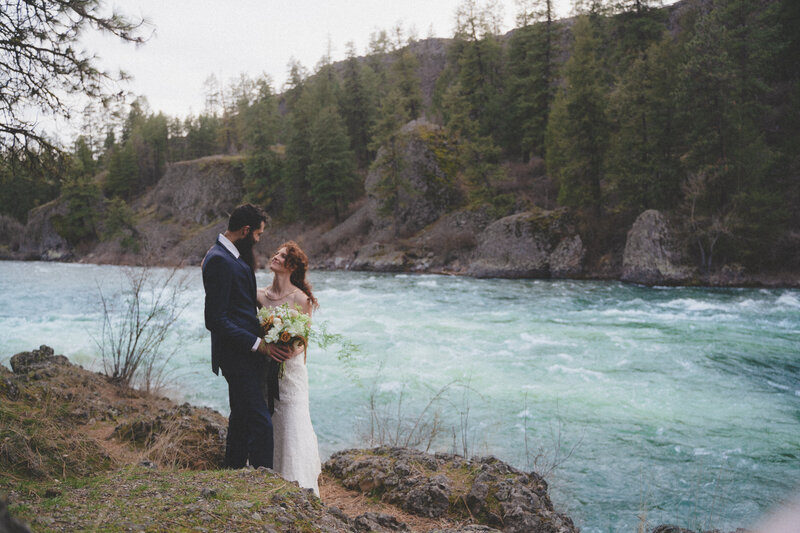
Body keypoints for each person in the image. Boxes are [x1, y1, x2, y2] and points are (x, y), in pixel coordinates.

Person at [202, 203, 292, 469]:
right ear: (245, 230)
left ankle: (232, 470)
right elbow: (215, 319)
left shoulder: (232, 257)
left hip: (245, 353)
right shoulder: (219, 259)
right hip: (236, 355)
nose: (258, 240)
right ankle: (263, 484)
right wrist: (259, 345)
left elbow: (241, 306)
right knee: (261, 421)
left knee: (241, 417)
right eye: (258, 235)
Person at [256, 241, 322, 496]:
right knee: (270, 423)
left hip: (291, 373)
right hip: (265, 368)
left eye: (282, 256)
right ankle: (267, 482)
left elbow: (303, 340)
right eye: (276, 253)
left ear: (291, 266)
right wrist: (266, 346)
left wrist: (286, 349)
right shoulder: (259, 295)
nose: (276, 257)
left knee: (293, 424)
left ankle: (298, 490)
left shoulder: (300, 298)